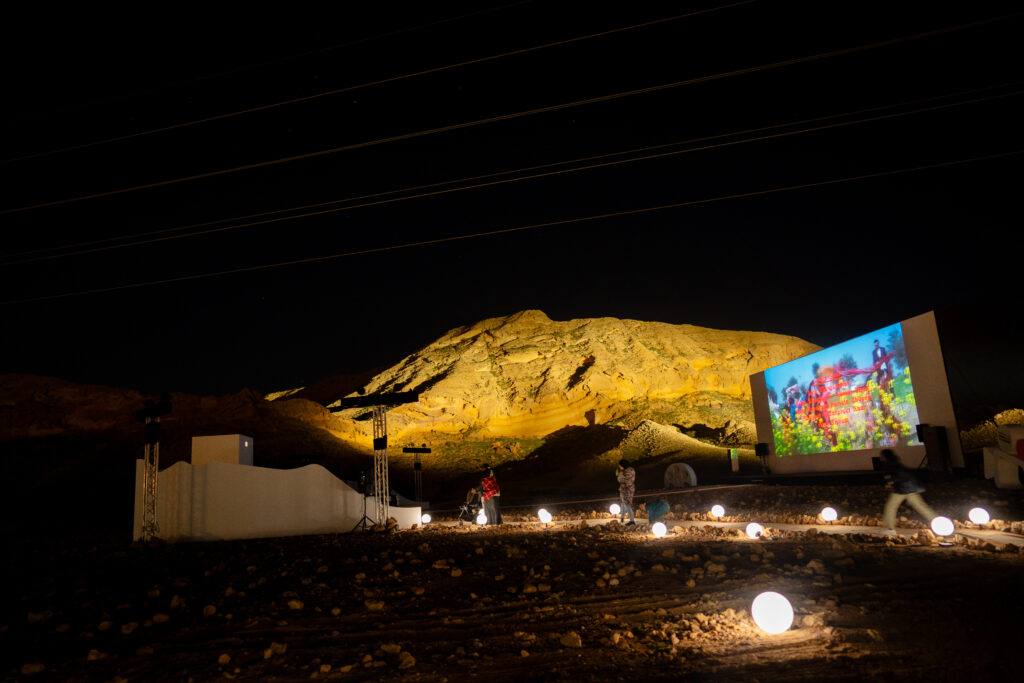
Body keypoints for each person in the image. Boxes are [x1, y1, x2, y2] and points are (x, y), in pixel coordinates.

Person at [880, 449, 935, 533]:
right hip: (911, 487)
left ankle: (889, 528)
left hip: (902, 488)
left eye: (882, 456)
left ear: (885, 457)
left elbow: (895, 477)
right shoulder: (896, 462)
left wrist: (890, 483)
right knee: (921, 506)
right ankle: (938, 520)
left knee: (891, 507)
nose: (881, 458)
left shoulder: (890, 465)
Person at [616, 459, 636, 525]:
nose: (619, 467)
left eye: (620, 465)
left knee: (626, 504)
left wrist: (619, 474)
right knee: (625, 503)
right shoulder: (632, 470)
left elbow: (619, 479)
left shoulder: (623, 472)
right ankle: (622, 517)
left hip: (625, 490)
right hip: (631, 488)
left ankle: (632, 520)